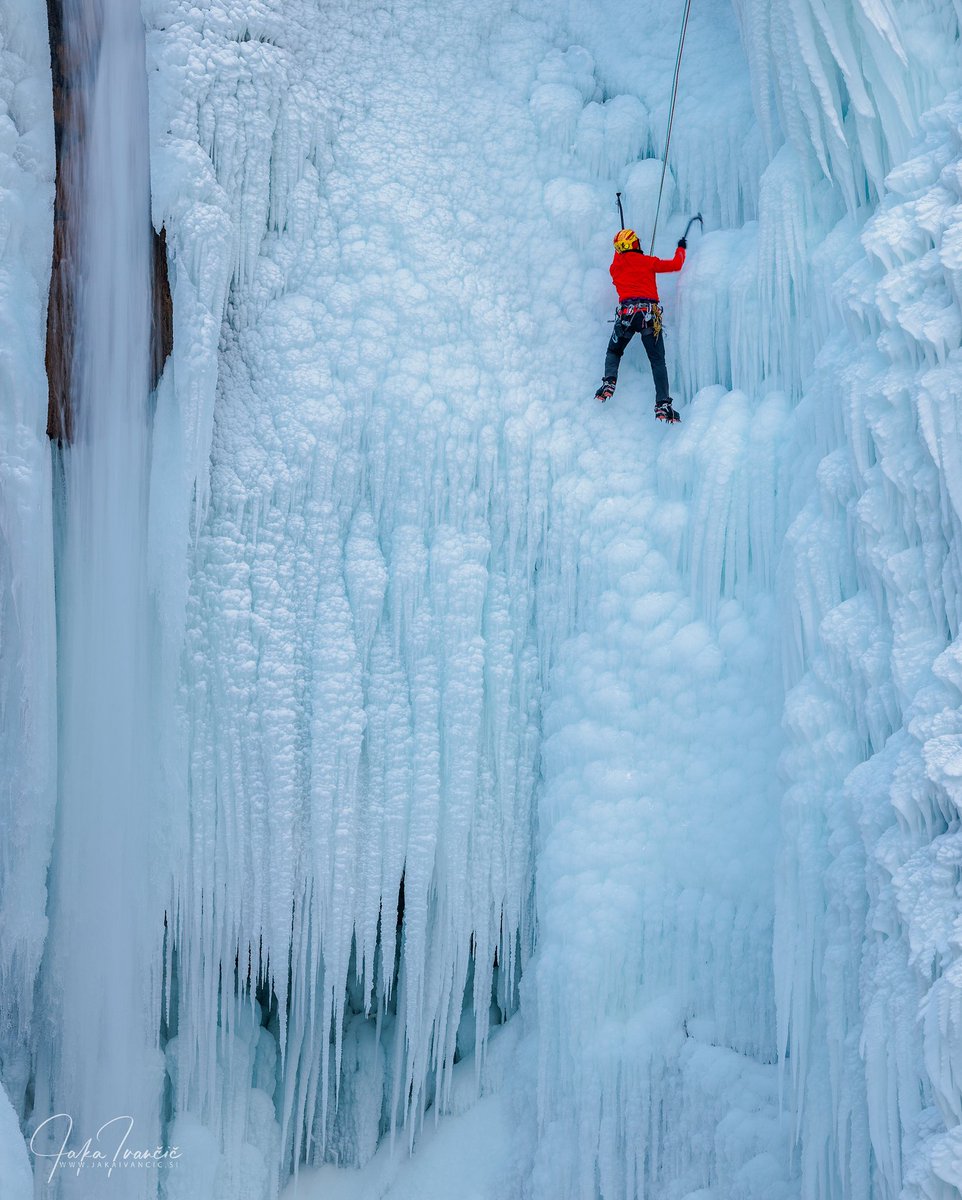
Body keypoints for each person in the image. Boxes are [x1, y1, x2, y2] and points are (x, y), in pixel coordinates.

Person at [594, 228, 687, 422]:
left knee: (614, 351)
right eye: (636, 242)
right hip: (649, 316)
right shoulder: (648, 262)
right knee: (657, 361)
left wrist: (619, 249)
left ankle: (609, 382)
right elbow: (676, 265)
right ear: (633, 245)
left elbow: (619, 258)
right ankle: (663, 403)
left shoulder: (615, 268)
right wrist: (681, 248)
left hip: (626, 317)